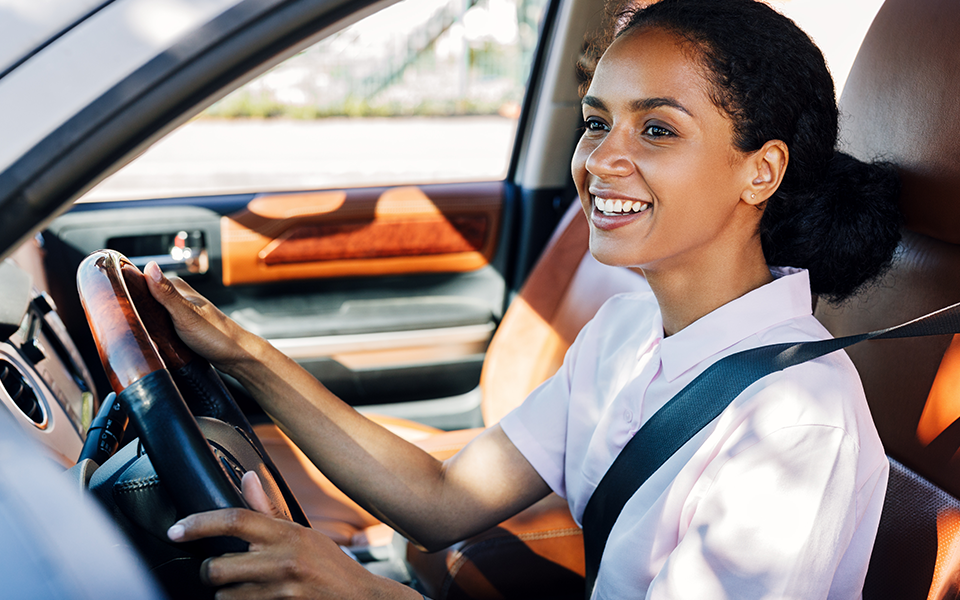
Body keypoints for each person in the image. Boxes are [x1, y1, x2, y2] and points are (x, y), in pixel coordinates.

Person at [147, 0, 902, 597]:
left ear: (761, 172)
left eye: (658, 130)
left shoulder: (795, 420)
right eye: (597, 122)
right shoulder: (626, 330)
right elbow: (441, 498)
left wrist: (360, 593)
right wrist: (241, 354)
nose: (602, 159)